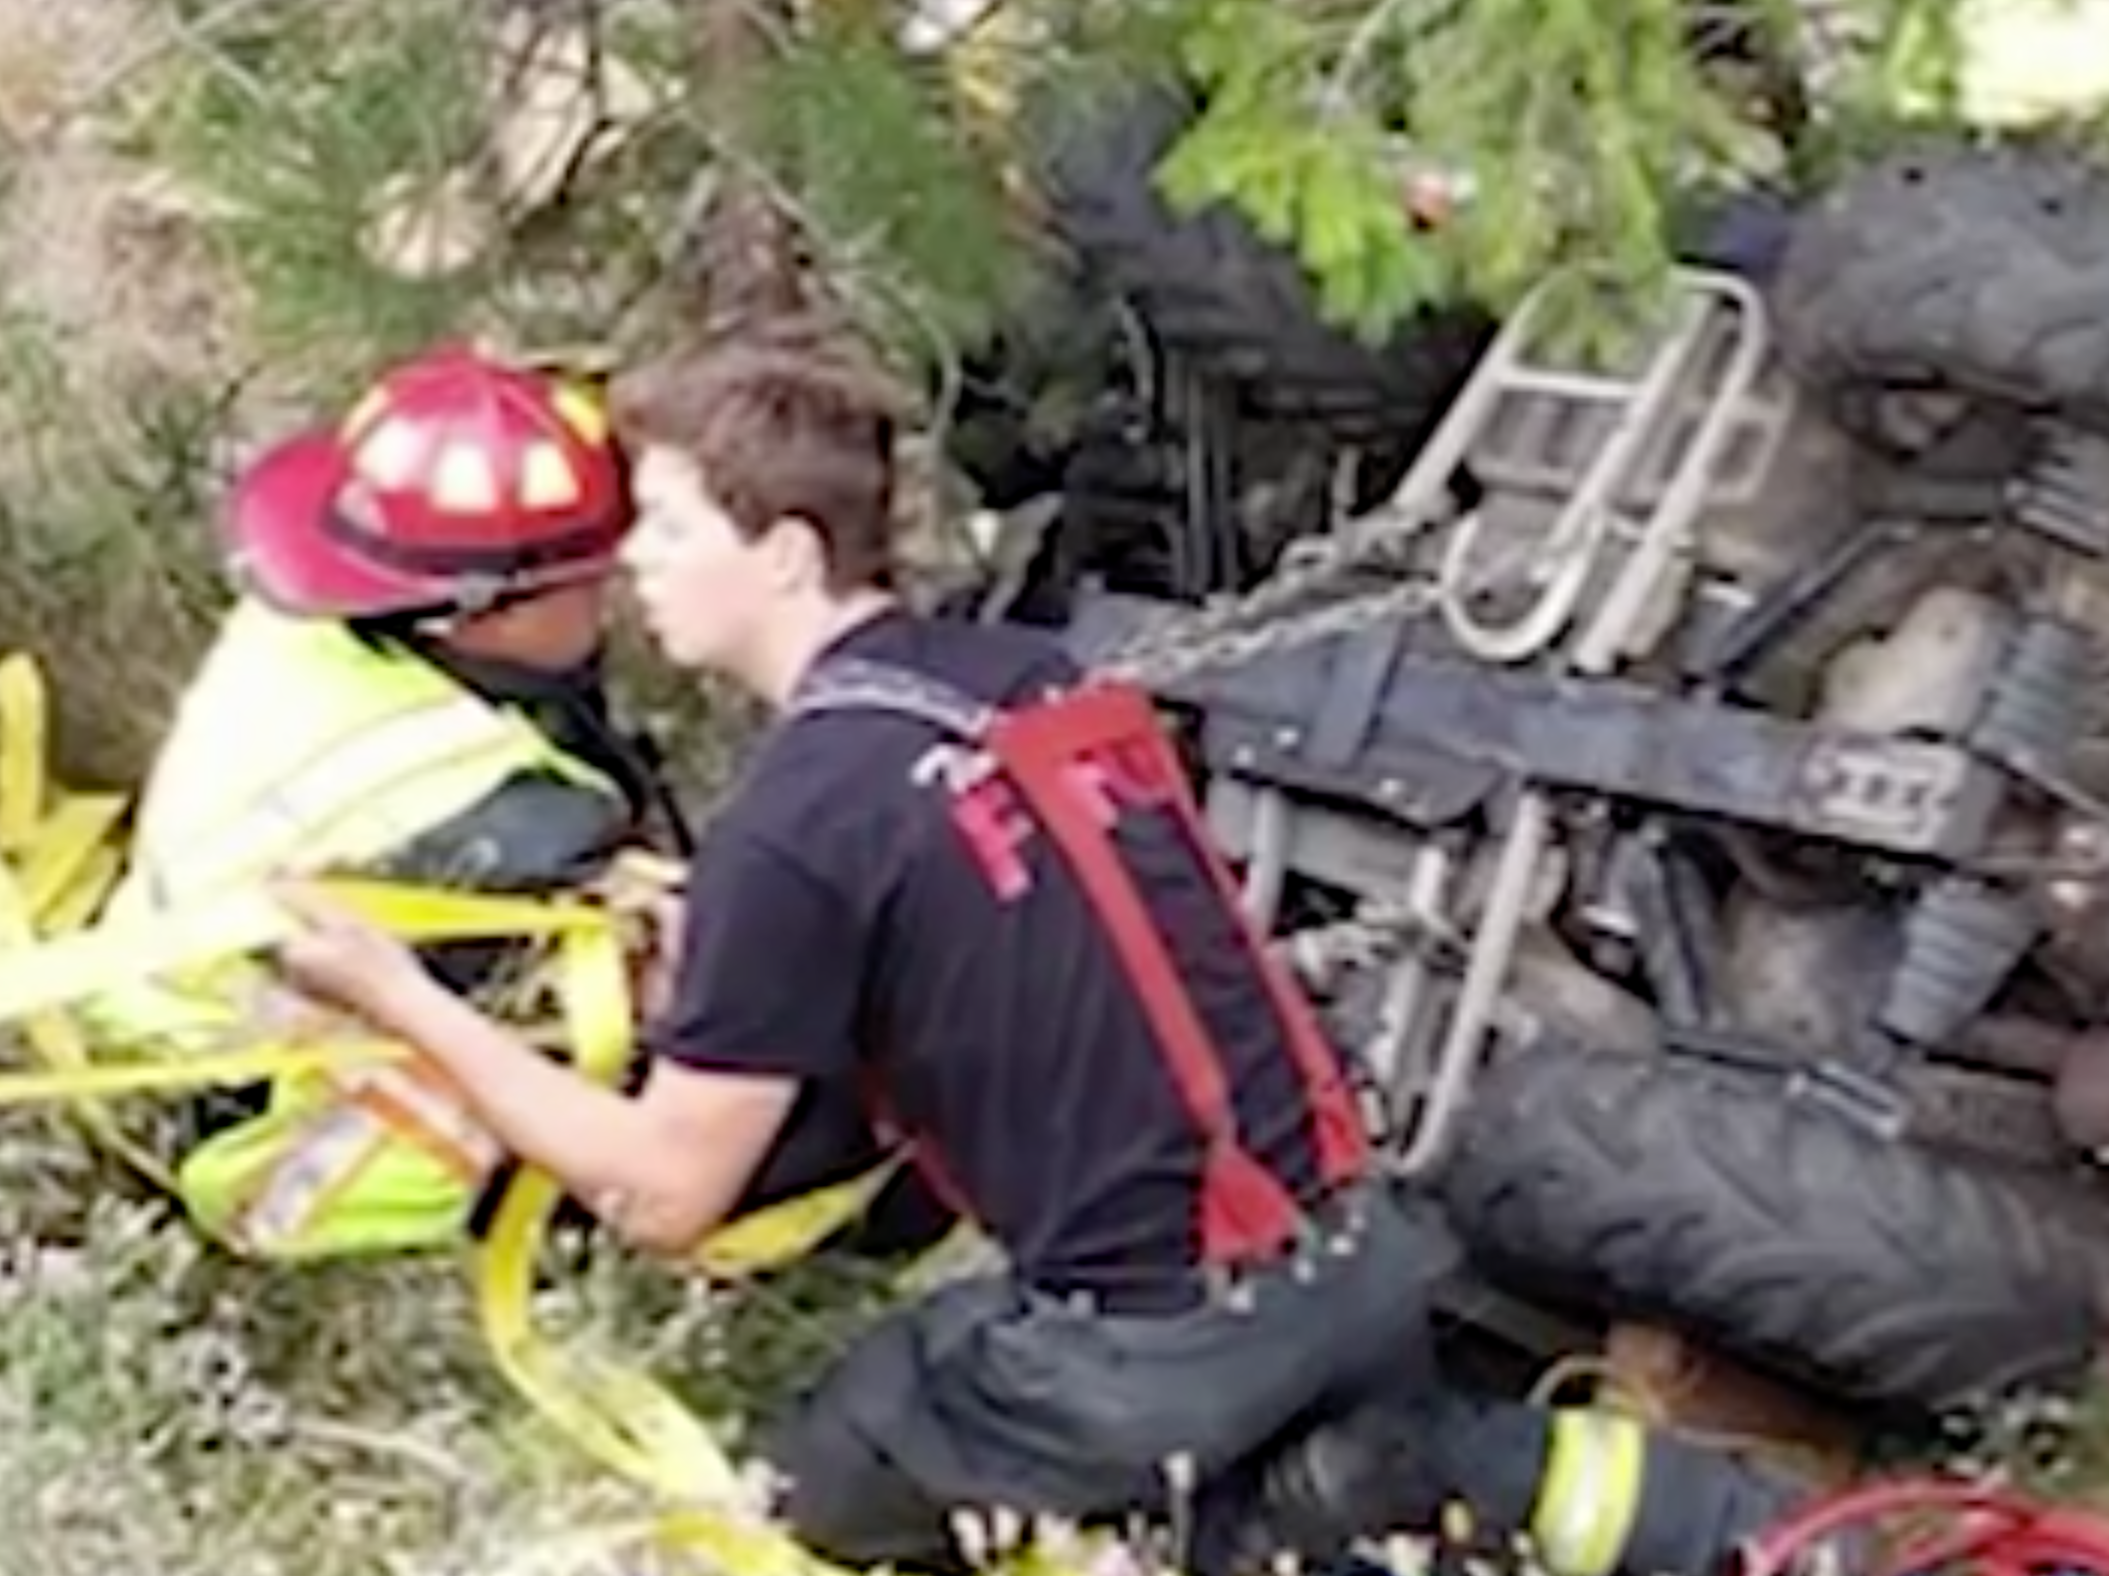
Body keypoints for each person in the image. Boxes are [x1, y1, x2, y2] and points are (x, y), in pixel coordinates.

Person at [266, 332, 1824, 1575]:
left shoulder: (793, 825)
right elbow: (1012, 955)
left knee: (794, 1504)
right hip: (1349, 1244)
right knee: (1375, 1471)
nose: (631, 562)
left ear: (789, 552)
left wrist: (400, 1000)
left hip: (1152, 1344)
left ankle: (1262, 1517)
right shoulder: (1024, 684)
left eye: (664, 526)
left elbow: (663, 1196)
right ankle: (1768, 1544)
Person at [80, 343, 691, 1262]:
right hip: (256, 1094)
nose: (619, 590)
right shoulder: (495, 813)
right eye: (589, 579)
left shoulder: (319, 636)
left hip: (152, 999)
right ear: (476, 609)